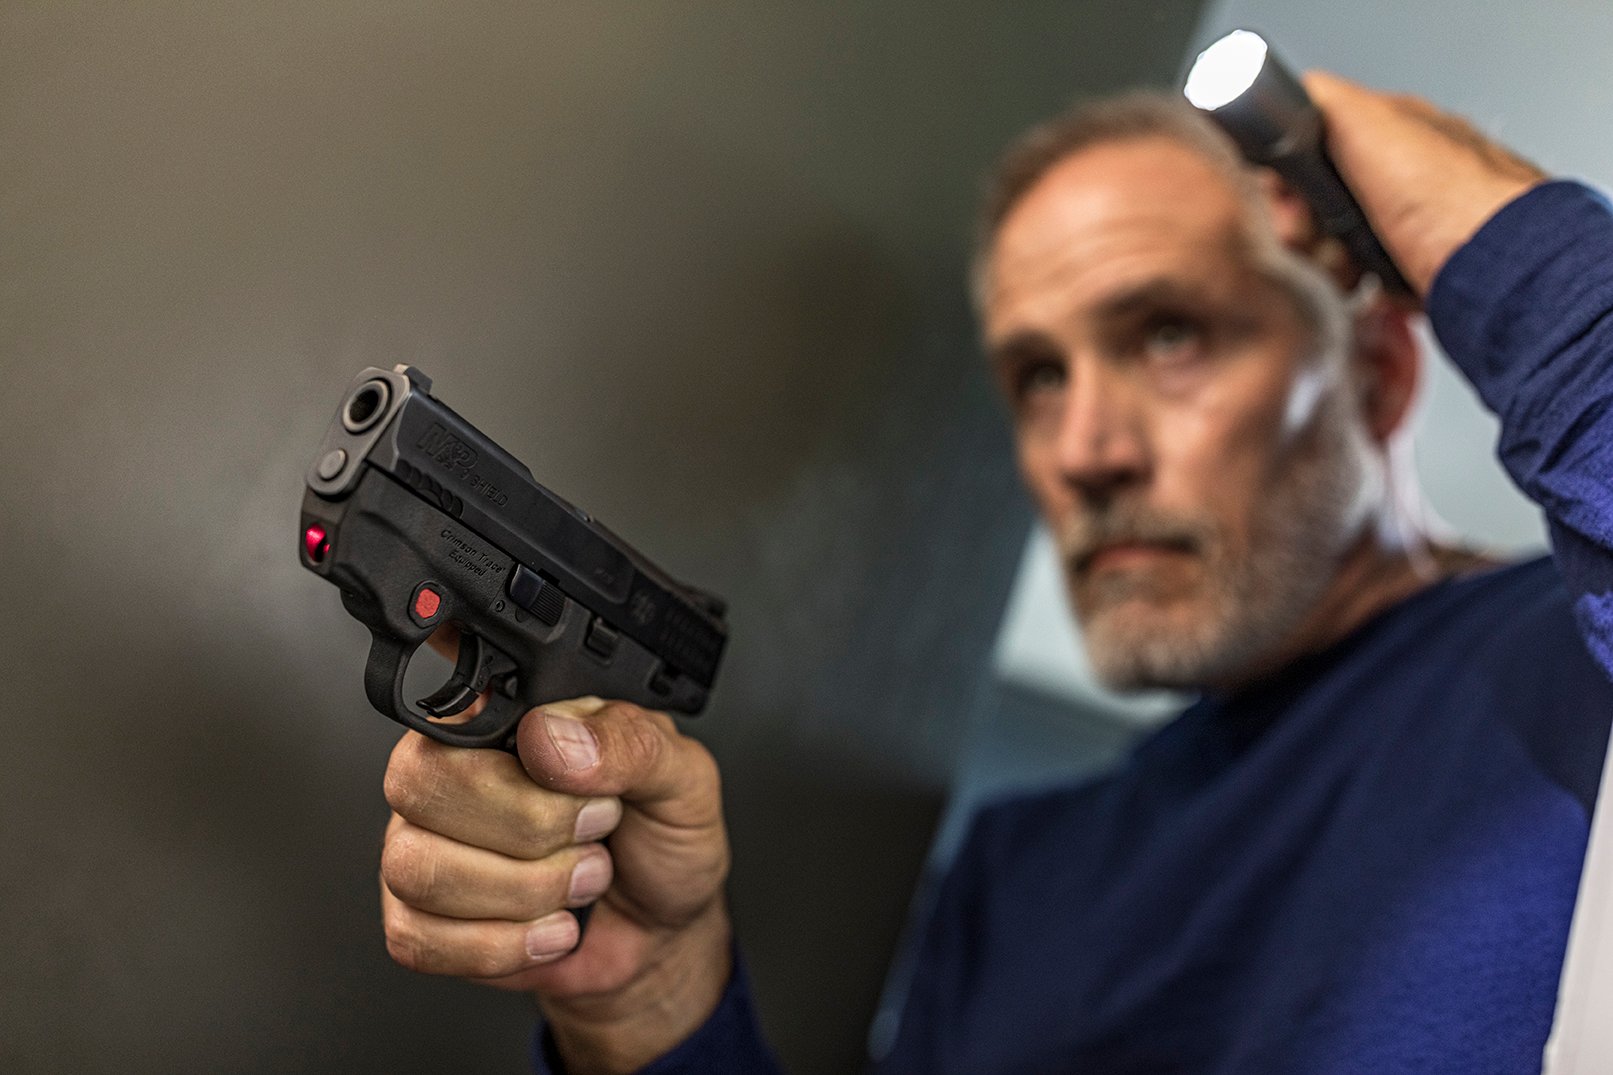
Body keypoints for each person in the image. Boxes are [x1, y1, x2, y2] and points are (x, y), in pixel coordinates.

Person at [373, 71, 1613, 1073]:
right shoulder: (1020, 876)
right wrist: (646, 1004)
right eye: (1037, 377)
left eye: (1167, 335)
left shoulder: (1572, 656)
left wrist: (1503, 230)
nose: (1083, 451)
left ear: (1377, 377)